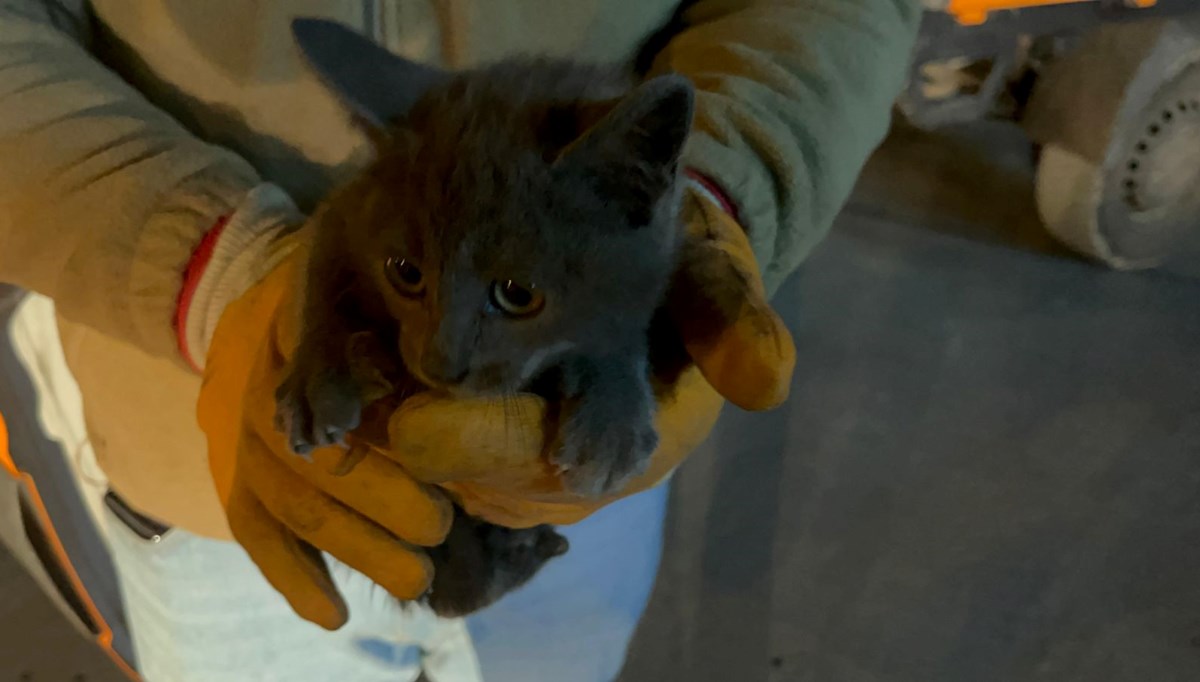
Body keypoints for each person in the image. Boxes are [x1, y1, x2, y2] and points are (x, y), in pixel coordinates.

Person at [0, 1, 920, 680]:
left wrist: (715, 190)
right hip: (210, 479)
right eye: (414, 287)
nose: (436, 355)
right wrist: (214, 265)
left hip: (569, 483)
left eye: (509, 296)